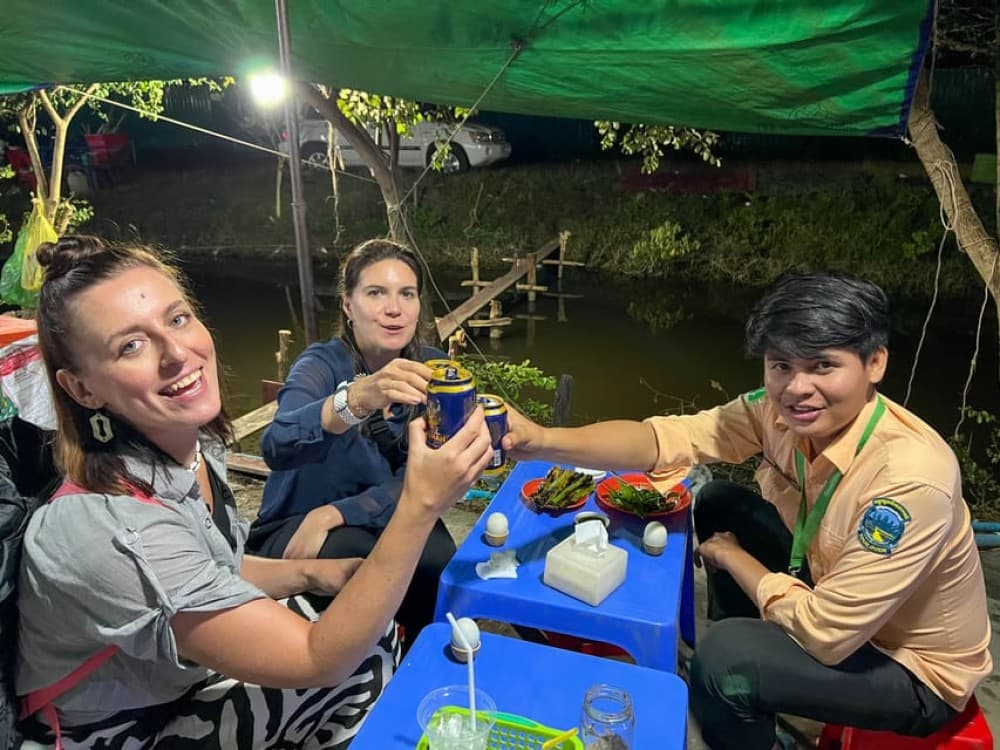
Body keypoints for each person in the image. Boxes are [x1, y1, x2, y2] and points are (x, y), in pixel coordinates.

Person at [16, 236, 493, 748]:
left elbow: (213, 562)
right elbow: (280, 442)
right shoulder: (116, 530)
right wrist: (362, 415)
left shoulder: (193, 448)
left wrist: (316, 572)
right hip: (119, 728)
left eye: (177, 319)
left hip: (177, 675)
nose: (177, 353)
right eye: (130, 345)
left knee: (388, 615)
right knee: (361, 648)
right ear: (82, 389)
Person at [501, 273, 992, 750]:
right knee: (718, 503)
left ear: (875, 363)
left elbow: (827, 635)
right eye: (781, 365)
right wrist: (541, 441)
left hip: (911, 667)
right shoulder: (776, 414)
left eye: (822, 366)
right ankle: (753, 688)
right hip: (835, 587)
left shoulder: (908, 480)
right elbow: (667, 438)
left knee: (726, 660)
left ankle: (740, 683)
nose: (797, 388)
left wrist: (734, 558)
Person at [249, 239, 454, 642]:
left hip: (363, 512)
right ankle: (350, 670)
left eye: (406, 294)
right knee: (371, 560)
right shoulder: (322, 364)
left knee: (441, 562)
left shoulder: (432, 368)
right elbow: (277, 445)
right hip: (298, 523)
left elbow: (424, 475)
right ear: (348, 305)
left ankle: (417, 663)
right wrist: (356, 399)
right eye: (376, 293)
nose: (393, 308)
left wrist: (336, 513)